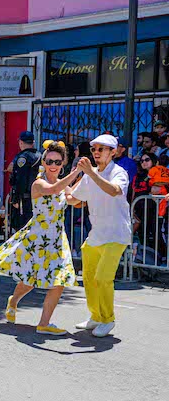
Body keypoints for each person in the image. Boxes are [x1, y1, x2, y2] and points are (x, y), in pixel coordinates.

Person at [0, 141, 82, 334]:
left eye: (57, 161)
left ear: (62, 163)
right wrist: (76, 173)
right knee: (30, 280)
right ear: (44, 162)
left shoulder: (63, 184)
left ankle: (44, 323)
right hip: (38, 237)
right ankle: (13, 301)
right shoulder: (38, 183)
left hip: (57, 238)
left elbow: (74, 199)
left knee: (60, 280)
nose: (53, 165)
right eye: (49, 161)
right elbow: (53, 190)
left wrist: (87, 176)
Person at [66, 134, 132, 338]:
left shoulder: (119, 172)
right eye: (94, 149)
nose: (96, 152)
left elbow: (113, 190)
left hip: (117, 234)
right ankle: (96, 315)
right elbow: (73, 200)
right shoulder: (89, 174)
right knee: (88, 278)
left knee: (103, 278)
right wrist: (69, 181)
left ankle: (108, 319)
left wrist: (89, 174)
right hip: (96, 234)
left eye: (101, 149)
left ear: (113, 152)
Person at [7, 131, 39, 232]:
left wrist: (16, 199)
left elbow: (21, 179)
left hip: (24, 199)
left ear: (21, 142)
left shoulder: (23, 158)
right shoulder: (39, 156)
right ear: (33, 142)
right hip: (36, 197)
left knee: (21, 229)